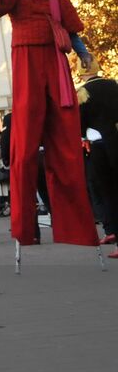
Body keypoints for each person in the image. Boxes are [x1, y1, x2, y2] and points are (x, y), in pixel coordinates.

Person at [0, 0, 97, 247]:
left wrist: (83, 54)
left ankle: (76, 228)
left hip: (55, 63)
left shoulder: (58, 1)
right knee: (26, 137)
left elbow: (71, 32)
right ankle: (26, 228)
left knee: (65, 142)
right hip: (27, 62)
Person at [78, 71, 118, 256]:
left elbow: (79, 122)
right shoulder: (113, 85)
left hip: (97, 146)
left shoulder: (83, 92)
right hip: (115, 139)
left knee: (106, 192)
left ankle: (113, 232)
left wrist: (82, 136)